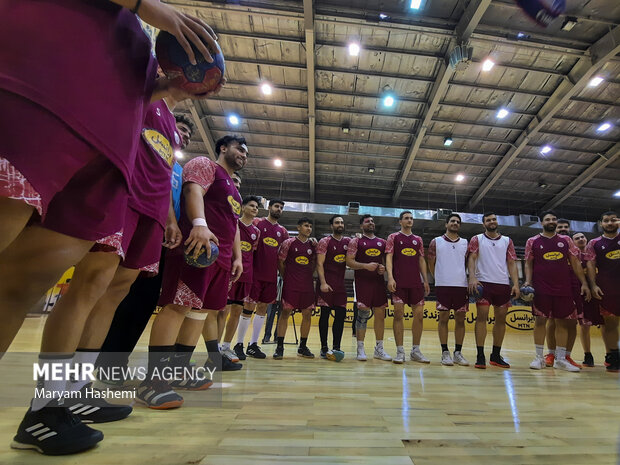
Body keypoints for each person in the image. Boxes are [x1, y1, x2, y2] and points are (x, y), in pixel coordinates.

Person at [1, 2, 219, 454]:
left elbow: (140, 104)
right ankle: (49, 400)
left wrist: (171, 220)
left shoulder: (158, 109)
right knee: (78, 288)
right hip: (96, 167)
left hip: (131, 197)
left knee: (103, 290)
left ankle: (68, 392)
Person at [137, 135, 246, 408]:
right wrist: (199, 223)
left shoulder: (235, 189)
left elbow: (233, 226)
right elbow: (192, 191)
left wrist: (237, 257)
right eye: (239, 149)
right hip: (196, 247)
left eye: (246, 152)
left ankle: (179, 369)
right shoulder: (204, 165)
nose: (244, 154)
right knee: (177, 306)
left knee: (199, 313)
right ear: (223, 148)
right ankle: (154, 379)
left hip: (220, 258)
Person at [97, 114, 193, 378]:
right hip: (134, 224)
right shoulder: (147, 148)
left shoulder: (180, 171)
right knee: (115, 292)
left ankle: (116, 361)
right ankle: (98, 360)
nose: (184, 136)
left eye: (188, 135)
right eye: (181, 130)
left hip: (162, 237)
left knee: (145, 299)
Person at [524, 211, 591, 372]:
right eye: (548, 219)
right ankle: (539, 358)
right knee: (540, 321)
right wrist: (527, 281)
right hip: (541, 287)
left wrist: (584, 283)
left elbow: (575, 262)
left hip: (563, 287)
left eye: (554, 219)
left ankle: (560, 359)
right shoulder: (532, 241)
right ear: (542, 223)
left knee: (562, 322)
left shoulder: (566, 240)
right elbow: (528, 263)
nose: (551, 221)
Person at [236, 200, 289, 358]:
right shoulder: (257, 222)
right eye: (276, 206)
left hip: (271, 276)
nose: (278, 209)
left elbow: (285, 255)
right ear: (269, 207)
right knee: (248, 308)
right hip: (254, 274)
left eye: (281, 208)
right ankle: (239, 344)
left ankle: (253, 345)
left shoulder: (283, 231)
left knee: (262, 309)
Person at [467, 212, 520, 369]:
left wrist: (515, 284)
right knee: (481, 317)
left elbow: (511, 263)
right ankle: (480, 355)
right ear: (484, 224)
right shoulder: (477, 239)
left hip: (502, 284)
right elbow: (472, 258)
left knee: (501, 320)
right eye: (488, 220)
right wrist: (472, 278)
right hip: (483, 284)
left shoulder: (507, 241)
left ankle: (495, 355)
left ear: (497, 221)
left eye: (494, 219)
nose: (492, 222)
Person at [219, 196, 261, 362]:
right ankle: (214, 347)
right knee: (223, 311)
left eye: (256, 207)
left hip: (246, 275)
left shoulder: (256, 232)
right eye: (251, 205)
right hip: (230, 272)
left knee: (237, 310)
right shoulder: (234, 224)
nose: (254, 208)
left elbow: (253, 252)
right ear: (243, 207)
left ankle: (226, 346)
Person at [386, 211, 430, 364]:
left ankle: (416, 351)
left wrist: (425, 280)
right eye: (406, 218)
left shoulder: (418, 239)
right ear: (400, 222)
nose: (409, 220)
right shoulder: (393, 237)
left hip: (415, 283)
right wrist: (390, 277)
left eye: (411, 218)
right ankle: (400, 351)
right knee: (398, 315)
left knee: (419, 316)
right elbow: (389, 257)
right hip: (399, 283)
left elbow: (421, 260)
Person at [346, 215, 391, 362]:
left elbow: (385, 263)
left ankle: (379, 349)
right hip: (362, 282)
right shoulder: (356, 241)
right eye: (367, 221)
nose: (371, 223)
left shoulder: (382, 242)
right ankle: (360, 348)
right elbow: (349, 262)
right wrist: (365, 266)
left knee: (380, 315)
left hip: (378, 283)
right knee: (363, 315)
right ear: (361, 226)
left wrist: (383, 268)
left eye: (372, 221)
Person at [427, 214, 470, 366]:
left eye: (458, 222)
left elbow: (467, 263)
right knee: (443, 319)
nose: (455, 223)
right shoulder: (436, 242)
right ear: (446, 224)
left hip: (461, 285)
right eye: (452, 221)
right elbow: (430, 262)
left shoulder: (466, 243)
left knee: (460, 320)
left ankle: (458, 352)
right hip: (443, 285)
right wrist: (438, 277)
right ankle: (445, 352)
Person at [273, 218, 316, 359]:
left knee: (307, 314)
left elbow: (315, 263)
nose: (308, 228)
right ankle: (280, 346)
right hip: (291, 284)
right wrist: (287, 276)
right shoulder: (288, 243)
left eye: (310, 226)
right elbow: (280, 261)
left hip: (307, 284)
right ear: (298, 227)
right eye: (305, 226)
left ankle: (302, 347)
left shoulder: (313, 245)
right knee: (285, 313)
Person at [543, 219, 581, 368]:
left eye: (566, 227)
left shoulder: (573, 246)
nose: (563, 229)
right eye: (560, 227)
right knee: (552, 321)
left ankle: (566, 355)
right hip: (555, 285)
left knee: (572, 322)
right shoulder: (548, 245)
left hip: (574, 285)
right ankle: (551, 354)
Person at [585, 211, 620, 372]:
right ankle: (613, 356)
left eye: (613, 220)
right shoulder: (594, 243)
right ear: (601, 224)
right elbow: (590, 265)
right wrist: (593, 285)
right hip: (607, 287)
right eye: (606, 221)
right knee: (610, 323)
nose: (610, 223)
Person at [316, 215, 350, 361]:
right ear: (331, 226)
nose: (340, 224)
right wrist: (323, 283)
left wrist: (360, 237)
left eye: (342, 222)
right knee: (324, 315)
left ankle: (336, 346)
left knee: (341, 316)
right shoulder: (325, 242)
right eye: (337, 222)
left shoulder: (348, 242)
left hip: (340, 285)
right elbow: (319, 264)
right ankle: (324, 347)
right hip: (326, 284)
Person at [572, 232, 605, 367]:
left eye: (582, 237)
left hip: (598, 290)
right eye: (577, 238)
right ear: (572, 242)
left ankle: (611, 353)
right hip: (581, 292)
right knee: (584, 325)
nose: (580, 239)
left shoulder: (594, 253)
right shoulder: (572, 256)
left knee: (605, 323)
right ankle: (588, 354)